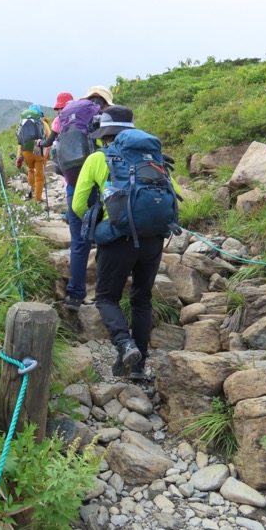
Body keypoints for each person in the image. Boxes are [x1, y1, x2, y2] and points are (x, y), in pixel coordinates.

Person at [71, 105, 181, 380]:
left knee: (107, 297)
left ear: (103, 133)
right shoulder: (153, 157)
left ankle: (124, 345)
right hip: (153, 239)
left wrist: (98, 224)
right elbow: (175, 194)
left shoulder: (98, 158)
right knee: (141, 300)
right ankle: (138, 366)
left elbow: (77, 204)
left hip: (118, 238)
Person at [40, 86, 113, 311]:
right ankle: (106, 295)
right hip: (103, 185)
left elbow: (55, 148)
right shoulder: (105, 118)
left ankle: (75, 295)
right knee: (107, 238)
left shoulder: (66, 118)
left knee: (78, 242)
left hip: (74, 184)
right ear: (105, 103)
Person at [15, 103, 49, 202]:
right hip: (39, 151)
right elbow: (49, 139)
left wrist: (19, 156)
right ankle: (37, 198)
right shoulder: (43, 124)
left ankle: (30, 193)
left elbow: (20, 141)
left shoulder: (23, 124)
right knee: (39, 175)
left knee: (30, 170)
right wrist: (46, 154)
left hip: (26, 151)